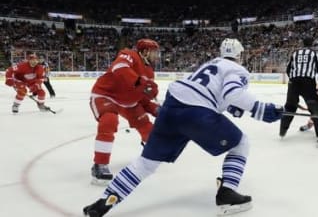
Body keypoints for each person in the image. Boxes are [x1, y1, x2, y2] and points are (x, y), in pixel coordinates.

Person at [82, 38, 285, 217]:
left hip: (172, 106)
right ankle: (227, 194)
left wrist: (235, 108)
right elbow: (232, 92)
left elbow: (218, 95)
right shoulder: (237, 69)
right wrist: (262, 109)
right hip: (196, 113)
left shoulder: (211, 63)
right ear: (239, 55)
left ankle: (104, 202)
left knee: (146, 163)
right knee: (241, 143)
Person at [89, 39, 161, 185]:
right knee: (109, 121)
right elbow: (119, 67)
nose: (157, 56)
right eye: (154, 52)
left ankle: (151, 153)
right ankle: (100, 164)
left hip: (129, 103)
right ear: (145, 51)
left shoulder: (149, 71)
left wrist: (154, 109)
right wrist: (141, 83)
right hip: (106, 95)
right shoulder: (129, 54)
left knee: (148, 129)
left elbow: (141, 98)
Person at [280, 36, 318, 138]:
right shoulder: (315, 54)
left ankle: (282, 131)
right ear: (312, 45)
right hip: (308, 83)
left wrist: (293, 79)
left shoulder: (295, 53)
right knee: (314, 107)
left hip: (293, 82)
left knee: (290, 106)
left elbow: (288, 69)